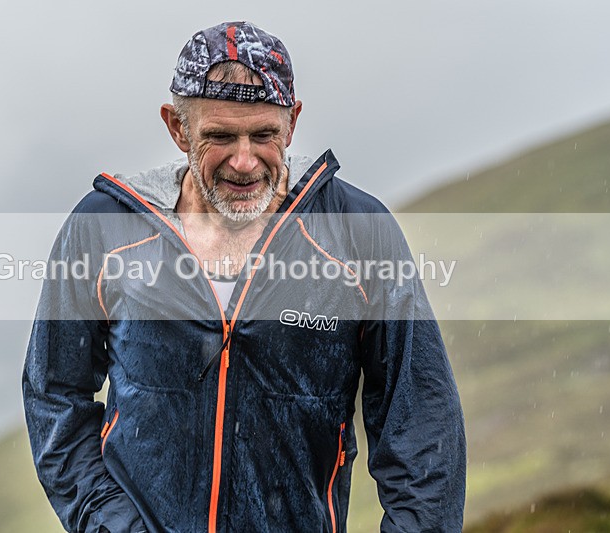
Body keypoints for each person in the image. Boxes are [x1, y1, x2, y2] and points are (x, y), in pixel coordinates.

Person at [23, 21, 466, 532]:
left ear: (293, 123)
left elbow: (423, 423)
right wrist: (109, 524)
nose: (243, 160)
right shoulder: (103, 228)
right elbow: (53, 395)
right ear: (177, 127)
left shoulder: (358, 236)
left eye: (264, 135)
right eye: (219, 136)